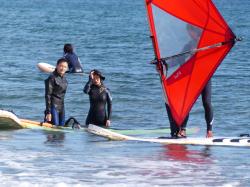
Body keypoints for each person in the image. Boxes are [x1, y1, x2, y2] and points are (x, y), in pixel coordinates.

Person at [160, 24, 214, 138]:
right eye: (189, 32)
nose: (189, 34)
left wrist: (198, 52)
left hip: (204, 78)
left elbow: (211, 58)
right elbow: (178, 60)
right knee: (186, 103)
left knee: (207, 102)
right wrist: (164, 65)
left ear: (196, 32)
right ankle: (183, 129)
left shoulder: (206, 45)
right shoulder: (188, 46)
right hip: (192, 79)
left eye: (191, 32)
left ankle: (209, 130)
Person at [45, 58, 68, 126]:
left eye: (65, 67)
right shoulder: (51, 78)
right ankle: (46, 120)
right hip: (53, 106)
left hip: (61, 106)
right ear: (57, 66)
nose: (62, 68)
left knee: (61, 127)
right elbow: (48, 95)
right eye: (61, 66)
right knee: (55, 126)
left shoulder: (64, 78)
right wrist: (48, 112)